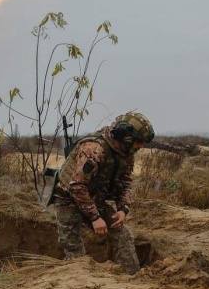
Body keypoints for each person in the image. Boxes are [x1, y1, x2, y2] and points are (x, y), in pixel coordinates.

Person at [52, 111, 155, 275]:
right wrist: (95, 218)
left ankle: (133, 279)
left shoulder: (126, 152)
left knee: (123, 235)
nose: (140, 146)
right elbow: (76, 186)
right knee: (74, 249)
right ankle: (79, 285)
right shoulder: (94, 150)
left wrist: (123, 209)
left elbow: (125, 182)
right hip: (68, 199)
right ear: (126, 136)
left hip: (94, 198)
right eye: (139, 141)